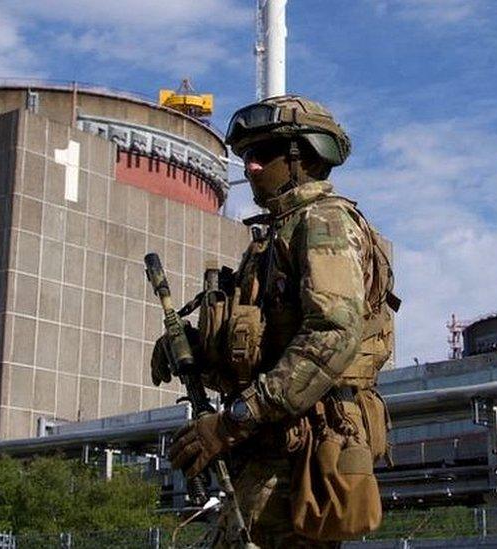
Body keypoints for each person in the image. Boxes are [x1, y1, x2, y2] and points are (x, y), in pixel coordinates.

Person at [151, 95, 398, 548]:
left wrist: (230, 423)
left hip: (300, 455)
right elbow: (261, 352)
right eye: (246, 157)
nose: (250, 168)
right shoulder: (272, 240)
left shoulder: (323, 223)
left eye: (263, 154)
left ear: (303, 157)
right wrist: (193, 348)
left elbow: (331, 335)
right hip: (268, 450)